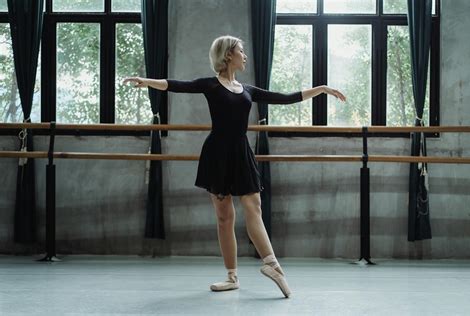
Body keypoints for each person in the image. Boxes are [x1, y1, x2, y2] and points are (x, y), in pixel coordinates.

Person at [124, 35, 346, 298]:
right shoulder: (210, 85)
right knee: (224, 217)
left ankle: (271, 263)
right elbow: (175, 85)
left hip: (241, 153)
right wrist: (145, 81)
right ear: (228, 55)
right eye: (241, 51)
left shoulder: (248, 90)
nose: (245, 55)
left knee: (254, 206)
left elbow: (286, 97)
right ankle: (232, 276)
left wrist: (320, 88)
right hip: (216, 154)